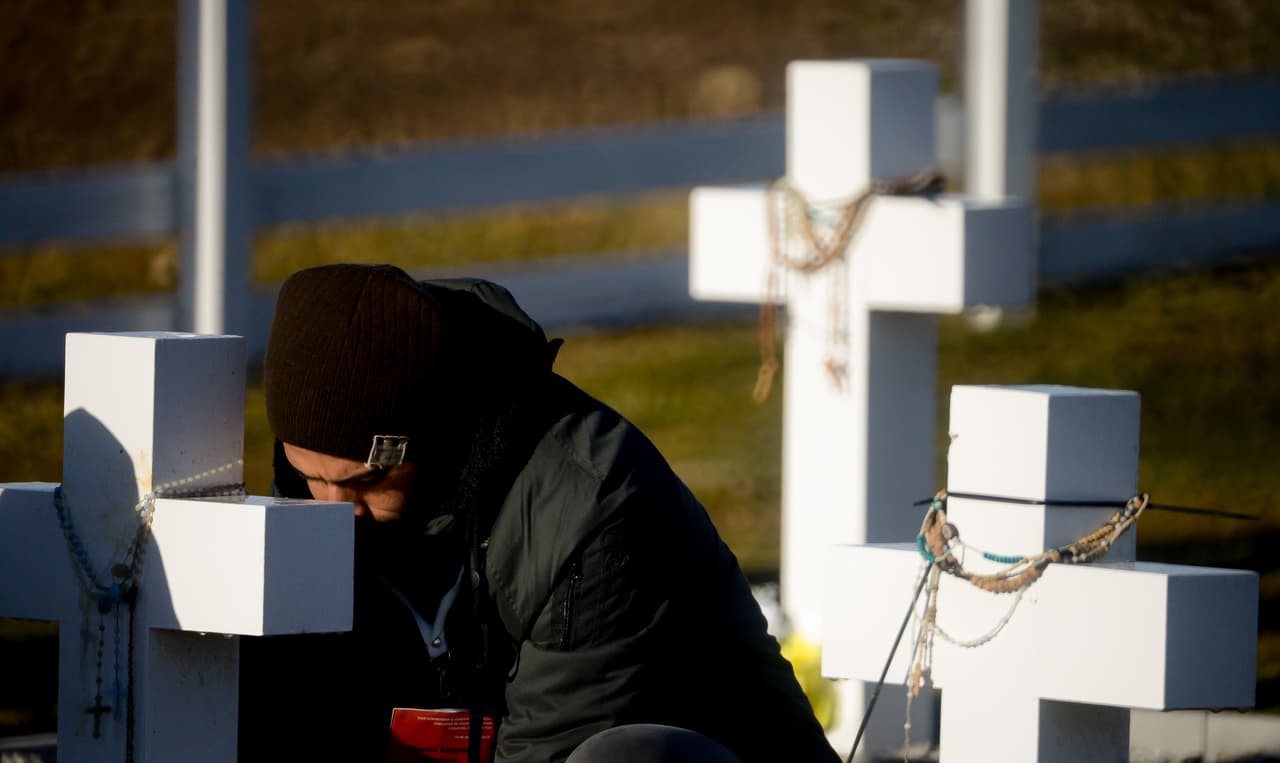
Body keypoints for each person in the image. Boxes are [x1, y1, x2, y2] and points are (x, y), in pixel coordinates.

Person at [239, 263, 839, 763]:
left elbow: (550, 749)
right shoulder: (327, 508)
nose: (336, 510)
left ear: (434, 438)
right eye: (309, 477)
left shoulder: (589, 509)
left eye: (367, 480)